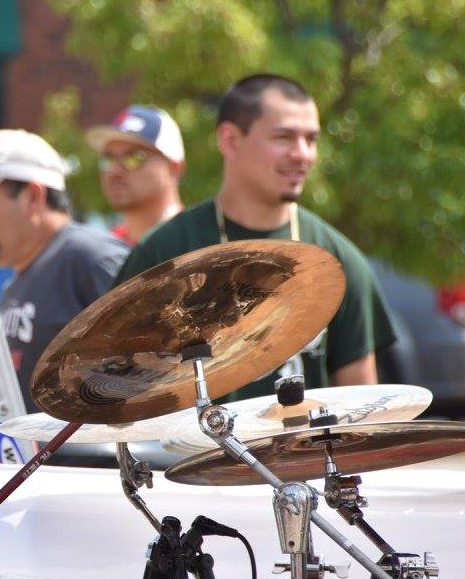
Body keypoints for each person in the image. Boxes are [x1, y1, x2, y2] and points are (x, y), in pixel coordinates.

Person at [114, 74, 396, 399]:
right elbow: (116, 389)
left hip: (304, 451)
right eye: (284, 137)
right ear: (230, 140)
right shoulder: (163, 252)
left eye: (311, 139)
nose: (303, 154)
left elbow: (361, 406)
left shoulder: (338, 258)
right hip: (195, 450)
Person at [0, 129, 129, 413]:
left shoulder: (91, 258)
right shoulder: (21, 277)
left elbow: (151, 374)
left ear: (32, 197)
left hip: (84, 458)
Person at [87, 105, 185, 246]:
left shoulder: (202, 243)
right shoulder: (105, 250)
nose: (114, 171)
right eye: (108, 159)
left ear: (173, 168)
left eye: (133, 157)